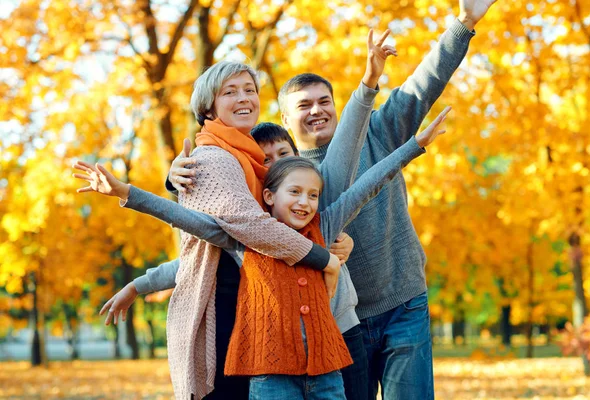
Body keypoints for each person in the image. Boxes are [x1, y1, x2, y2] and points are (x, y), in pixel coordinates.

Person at [168, 2, 498, 398]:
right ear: (284, 121)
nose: (317, 110)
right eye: (303, 105)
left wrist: (463, 24)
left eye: (324, 100)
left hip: (401, 302)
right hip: (339, 322)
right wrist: (174, 179)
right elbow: (222, 209)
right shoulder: (272, 178)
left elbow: (422, 84)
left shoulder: (376, 132)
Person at [78, 28, 397, 400]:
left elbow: (221, 236)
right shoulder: (215, 158)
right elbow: (241, 231)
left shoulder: (256, 167)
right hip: (227, 310)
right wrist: (323, 258)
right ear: (209, 108)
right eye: (230, 91)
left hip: (273, 317)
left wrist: (334, 243)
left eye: (249, 90)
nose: (244, 97)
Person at [73, 105, 449, 399]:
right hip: (271, 374)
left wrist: (414, 146)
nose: (304, 203)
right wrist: (125, 192)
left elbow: (368, 184)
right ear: (267, 195)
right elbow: (184, 220)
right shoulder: (244, 237)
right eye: (294, 193)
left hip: (327, 370)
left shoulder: (327, 224)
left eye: (312, 195)